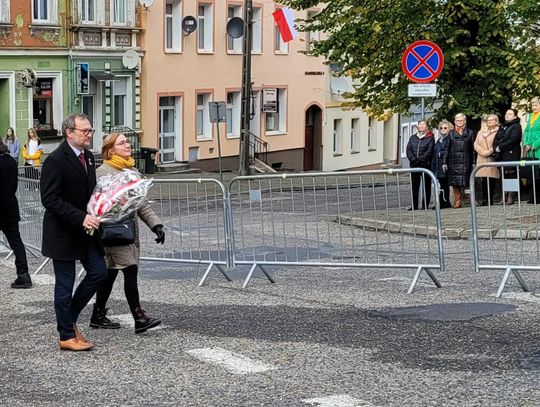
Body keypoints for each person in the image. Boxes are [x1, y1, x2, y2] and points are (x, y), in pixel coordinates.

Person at [40, 113, 107, 351]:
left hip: (86, 231)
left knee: (99, 272)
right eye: (84, 131)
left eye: (91, 130)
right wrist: (81, 217)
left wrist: (104, 206)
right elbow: (50, 199)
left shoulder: (87, 157)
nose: (89, 135)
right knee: (65, 284)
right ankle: (66, 335)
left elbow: (90, 192)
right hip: (63, 232)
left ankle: (69, 320)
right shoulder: (55, 160)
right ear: (69, 132)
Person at [90, 132, 164, 334]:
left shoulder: (132, 171)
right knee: (130, 269)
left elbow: (141, 204)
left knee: (110, 274)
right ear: (110, 150)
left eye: (127, 142)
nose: (127, 145)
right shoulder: (102, 173)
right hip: (112, 232)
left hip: (128, 231)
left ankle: (98, 315)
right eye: (122, 143)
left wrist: (156, 225)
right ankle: (139, 318)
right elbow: (98, 204)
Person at [0, 140, 32, 289]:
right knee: (16, 242)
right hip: (10, 207)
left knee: (15, 241)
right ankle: (24, 274)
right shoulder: (11, 160)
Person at [494, 109, 522, 205]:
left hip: (512, 154)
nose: (507, 115)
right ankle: (504, 196)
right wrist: (496, 146)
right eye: (506, 113)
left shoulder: (516, 126)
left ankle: (511, 197)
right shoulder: (504, 126)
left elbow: (514, 139)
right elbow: (498, 138)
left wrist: (501, 147)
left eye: (510, 114)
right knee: (504, 176)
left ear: (515, 116)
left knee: (512, 175)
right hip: (503, 155)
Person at [447, 113, 476, 208]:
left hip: (466, 161)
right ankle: (458, 200)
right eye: (457, 120)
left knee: (466, 181)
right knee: (455, 182)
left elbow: (473, 149)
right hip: (453, 161)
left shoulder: (470, 133)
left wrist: (474, 162)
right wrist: (444, 162)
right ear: (454, 122)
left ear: (465, 121)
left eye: (461, 120)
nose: (459, 122)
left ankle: (469, 199)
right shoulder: (450, 134)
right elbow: (446, 149)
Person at [406, 120, 434, 210]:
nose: (421, 126)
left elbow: (430, 150)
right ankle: (414, 205)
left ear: (427, 127)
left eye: (423, 125)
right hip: (414, 165)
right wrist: (413, 159)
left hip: (425, 165)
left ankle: (425, 205)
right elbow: (408, 150)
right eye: (420, 125)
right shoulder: (413, 137)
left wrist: (420, 159)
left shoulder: (430, 137)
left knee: (426, 185)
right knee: (414, 186)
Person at [474, 115, 501, 206]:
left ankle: (490, 200)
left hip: (492, 158)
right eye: (488, 120)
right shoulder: (481, 132)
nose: (489, 121)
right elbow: (476, 144)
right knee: (483, 180)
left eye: (491, 120)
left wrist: (488, 152)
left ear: (496, 121)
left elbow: (497, 144)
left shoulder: (499, 131)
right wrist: (483, 152)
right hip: (481, 158)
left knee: (491, 179)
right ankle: (484, 199)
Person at [432, 120, 452, 208]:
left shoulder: (449, 139)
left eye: (445, 128)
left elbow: (448, 151)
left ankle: (443, 202)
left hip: (445, 165)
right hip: (438, 165)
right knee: (441, 184)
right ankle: (444, 202)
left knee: (444, 185)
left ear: (449, 129)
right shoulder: (439, 140)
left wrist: (442, 156)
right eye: (441, 128)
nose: (443, 129)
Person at [523, 97, 540, 203]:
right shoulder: (530, 116)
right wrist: (526, 144)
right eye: (532, 105)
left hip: (538, 148)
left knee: (539, 173)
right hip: (530, 149)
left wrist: (535, 145)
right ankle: (533, 197)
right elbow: (526, 131)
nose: (534, 107)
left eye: (536, 105)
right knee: (533, 173)